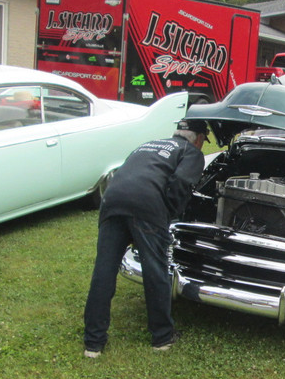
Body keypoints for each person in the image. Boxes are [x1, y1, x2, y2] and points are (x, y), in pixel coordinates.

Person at [82, 119, 208, 355]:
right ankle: (162, 337)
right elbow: (181, 182)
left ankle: (93, 343)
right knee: (155, 271)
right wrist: (169, 212)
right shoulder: (190, 152)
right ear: (199, 138)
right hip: (147, 205)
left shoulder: (148, 144)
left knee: (104, 271)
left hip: (112, 201)